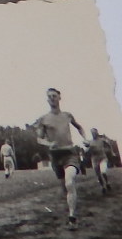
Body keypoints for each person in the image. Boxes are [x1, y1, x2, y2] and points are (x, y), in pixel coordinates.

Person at [34, 88, 87, 227]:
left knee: (69, 182)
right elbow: (39, 139)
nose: (52, 98)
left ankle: (72, 217)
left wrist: (85, 138)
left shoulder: (67, 115)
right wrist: (48, 143)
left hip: (70, 154)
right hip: (55, 157)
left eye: (54, 96)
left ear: (59, 98)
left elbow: (79, 127)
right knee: (65, 187)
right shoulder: (43, 119)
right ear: (47, 100)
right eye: (49, 96)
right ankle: (71, 206)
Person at [88, 128, 113, 193]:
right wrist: (89, 148)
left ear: (97, 132)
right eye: (92, 133)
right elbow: (88, 151)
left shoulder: (102, 140)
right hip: (95, 160)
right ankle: (103, 187)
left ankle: (107, 183)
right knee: (98, 175)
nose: (93, 134)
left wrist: (111, 151)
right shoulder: (90, 142)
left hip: (103, 158)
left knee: (103, 171)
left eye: (94, 132)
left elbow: (109, 145)